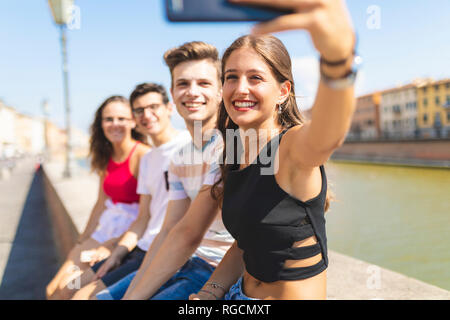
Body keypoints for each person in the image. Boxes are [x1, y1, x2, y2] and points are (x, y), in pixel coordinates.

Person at [189, 0, 357, 300]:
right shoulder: (237, 150)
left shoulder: (291, 146)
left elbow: (327, 137)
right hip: (237, 295)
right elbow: (246, 241)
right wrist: (210, 292)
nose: (240, 89)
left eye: (255, 78)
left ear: (282, 91)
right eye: (231, 77)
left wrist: (338, 60)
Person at [95, 41, 234, 300]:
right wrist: (135, 289)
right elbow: (169, 228)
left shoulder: (231, 146)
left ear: (220, 91)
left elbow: (188, 234)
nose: (192, 92)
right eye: (183, 84)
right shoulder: (181, 157)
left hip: (220, 273)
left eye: (203, 83)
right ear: (172, 92)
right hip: (188, 262)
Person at [68, 83, 191, 300]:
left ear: (169, 108)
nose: (147, 115)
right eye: (140, 110)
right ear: (135, 117)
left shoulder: (188, 146)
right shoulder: (148, 160)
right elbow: (143, 218)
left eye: (153, 107)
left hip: (167, 254)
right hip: (137, 249)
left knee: (85, 297)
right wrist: (117, 252)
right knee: (74, 290)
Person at [46, 95, 150, 300]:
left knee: (69, 286)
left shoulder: (143, 156)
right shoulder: (106, 155)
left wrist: (113, 245)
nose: (115, 124)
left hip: (124, 237)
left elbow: (149, 214)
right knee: (52, 290)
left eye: (121, 118)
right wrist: (83, 238)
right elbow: (101, 203)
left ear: (132, 121)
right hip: (103, 231)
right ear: (101, 123)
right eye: (109, 119)